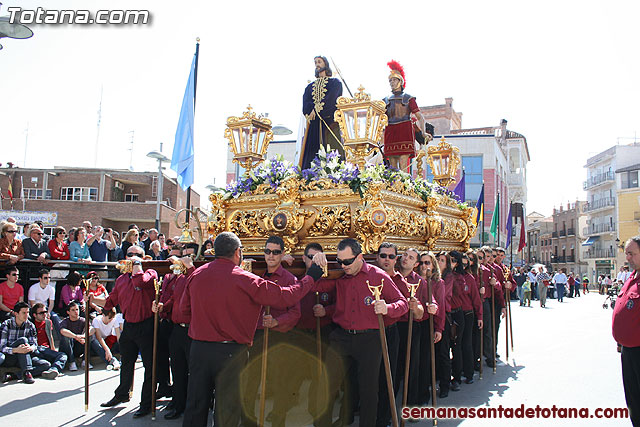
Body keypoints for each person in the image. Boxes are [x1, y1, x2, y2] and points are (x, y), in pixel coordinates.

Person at [179, 231, 325, 427]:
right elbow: (287, 296)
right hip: (230, 352)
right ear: (238, 252)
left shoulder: (196, 275)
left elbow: (183, 312)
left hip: (199, 348)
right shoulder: (244, 279)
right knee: (227, 409)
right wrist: (312, 276)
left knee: (196, 404)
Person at [314, 238, 408, 427]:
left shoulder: (378, 276)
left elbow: (403, 304)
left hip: (369, 340)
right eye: (340, 261)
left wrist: (387, 308)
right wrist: (315, 263)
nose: (343, 266)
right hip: (341, 337)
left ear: (360, 257)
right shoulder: (337, 273)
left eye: (347, 261)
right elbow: (316, 288)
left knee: (368, 390)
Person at [100, 244, 159, 418]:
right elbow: (110, 301)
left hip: (147, 325)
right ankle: (122, 394)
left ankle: (146, 403)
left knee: (149, 366)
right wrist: (92, 298)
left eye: (136, 255)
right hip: (130, 326)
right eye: (129, 255)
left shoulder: (150, 273)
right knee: (126, 362)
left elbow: (141, 282)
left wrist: (137, 265)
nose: (132, 257)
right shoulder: (121, 280)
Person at [152, 253, 195, 420]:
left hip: (191, 330)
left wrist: (191, 267)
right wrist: (163, 306)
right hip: (177, 329)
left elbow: (196, 281)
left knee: (193, 371)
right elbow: (173, 299)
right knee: (177, 369)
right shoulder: (178, 279)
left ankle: (192, 406)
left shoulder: (193, 275)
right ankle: (178, 404)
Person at [612, 236, 640, 426]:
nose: (627, 258)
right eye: (626, 253)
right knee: (633, 401)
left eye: (632, 253)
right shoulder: (632, 276)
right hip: (628, 350)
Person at [300, 55, 344, 170]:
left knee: (332, 149)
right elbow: (306, 103)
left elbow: (333, 98)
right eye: (315, 62)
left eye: (319, 62)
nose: (317, 64)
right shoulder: (309, 87)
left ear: (325, 64)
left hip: (329, 122)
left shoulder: (335, 83)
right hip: (314, 124)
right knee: (312, 152)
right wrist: (311, 111)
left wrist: (318, 109)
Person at [382, 60, 427, 170]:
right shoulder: (385, 100)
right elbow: (378, 118)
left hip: (404, 130)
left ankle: (404, 187)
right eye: (390, 80)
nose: (392, 82)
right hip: (390, 131)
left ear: (400, 81)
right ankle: (393, 186)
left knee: (403, 166)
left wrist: (423, 132)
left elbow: (420, 117)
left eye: (394, 80)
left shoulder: (408, 98)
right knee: (392, 167)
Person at [417, 251, 444, 405]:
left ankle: (424, 394)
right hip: (414, 323)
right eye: (422, 263)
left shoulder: (438, 283)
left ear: (433, 265)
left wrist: (438, 328)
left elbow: (440, 305)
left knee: (425, 361)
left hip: (429, 323)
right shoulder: (415, 280)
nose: (424, 266)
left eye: (427, 263)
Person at [0, 301, 52, 383]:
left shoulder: (30, 325)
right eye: (24, 313)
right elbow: (2, 348)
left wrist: (30, 348)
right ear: (16, 313)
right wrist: (16, 350)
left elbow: (34, 344)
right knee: (23, 340)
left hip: (25, 355)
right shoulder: (7, 325)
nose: (27, 315)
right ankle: (27, 372)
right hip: (11, 356)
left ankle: (15, 375)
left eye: (28, 312)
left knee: (46, 365)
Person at [59, 300, 112, 371]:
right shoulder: (65, 321)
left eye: (77, 309)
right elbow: (63, 331)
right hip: (68, 348)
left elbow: (92, 329)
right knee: (66, 337)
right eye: (73, 310)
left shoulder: (83, 320)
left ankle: (85, 361)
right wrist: (76, 336)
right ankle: (71, 362)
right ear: (68, 312)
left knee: (90, 336)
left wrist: (83, 336)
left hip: (79, 346)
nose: (76, 312)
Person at [30, 302, 67, 378]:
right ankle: (19, 374)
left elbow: (50, 336)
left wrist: (53, 349)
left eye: (45, 312)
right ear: (34, 315)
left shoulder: (48, 322)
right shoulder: (31, 325)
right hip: (37, 349)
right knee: (46, 364)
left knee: (62, 356)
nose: (44, 314)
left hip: (46, 350)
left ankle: (53, 370)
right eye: (41, 313)